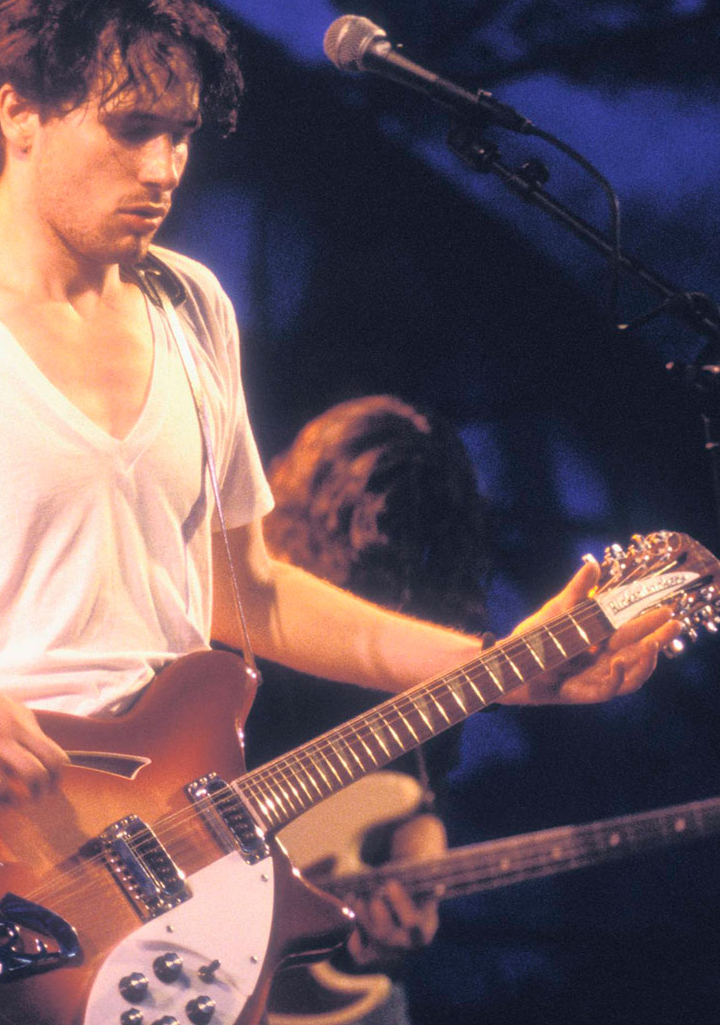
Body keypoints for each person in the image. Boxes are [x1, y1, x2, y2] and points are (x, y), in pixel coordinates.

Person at [0, 0, 678, 1022]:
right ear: (21, 113)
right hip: (16, 908)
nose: (166, 165)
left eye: (184, 133)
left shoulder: (191, 307)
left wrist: (506, 669)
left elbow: (252, 596)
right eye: (132, 126)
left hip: (196, 885)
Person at [254, 394, 487, 1025]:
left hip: (337, 969)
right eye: (368, 510)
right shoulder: (257, 609)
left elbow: (423, 791)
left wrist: (418, 884)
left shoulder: (443, 628)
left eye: (413, 519)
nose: (382, 532)